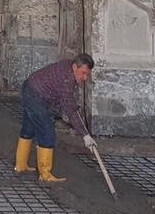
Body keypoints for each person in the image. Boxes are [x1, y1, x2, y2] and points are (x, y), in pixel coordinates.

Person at [15, 53, 97, 183]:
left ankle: (20, 165)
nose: (85, 78)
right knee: (47, 132)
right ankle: (45, 175)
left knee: (29, 127)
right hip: (35, 95)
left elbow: (65, 102)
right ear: (74, 67)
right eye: (83, 73)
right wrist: (85, 135)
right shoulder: (67, 80)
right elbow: (71, 110)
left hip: (29, 87)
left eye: (87, 74)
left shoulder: (69, 67)